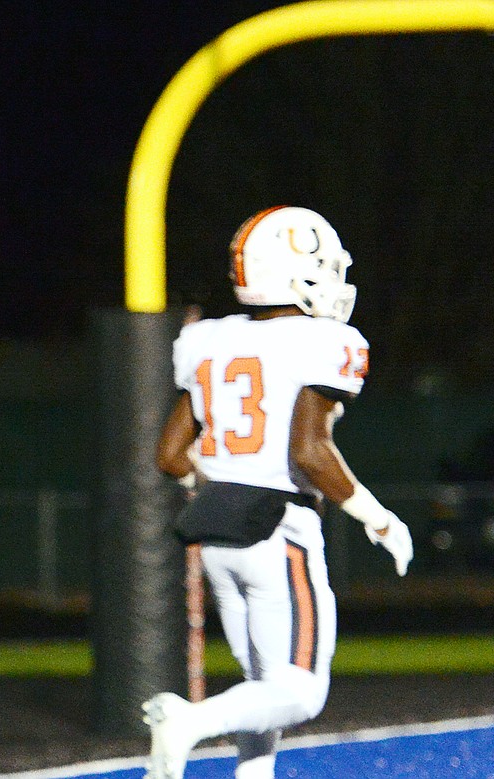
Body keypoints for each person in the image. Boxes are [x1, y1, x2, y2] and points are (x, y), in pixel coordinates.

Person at [144, 206, 414, 779]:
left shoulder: (207, 340)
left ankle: (252, 773)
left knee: (264, 690)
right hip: (277, 527)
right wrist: (379, 518)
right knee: (301, 691)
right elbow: (309, 452)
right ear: (298, 273)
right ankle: (190, 722)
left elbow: (170, 457)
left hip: (215, 531)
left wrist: (223, 480)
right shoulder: (323, 341)